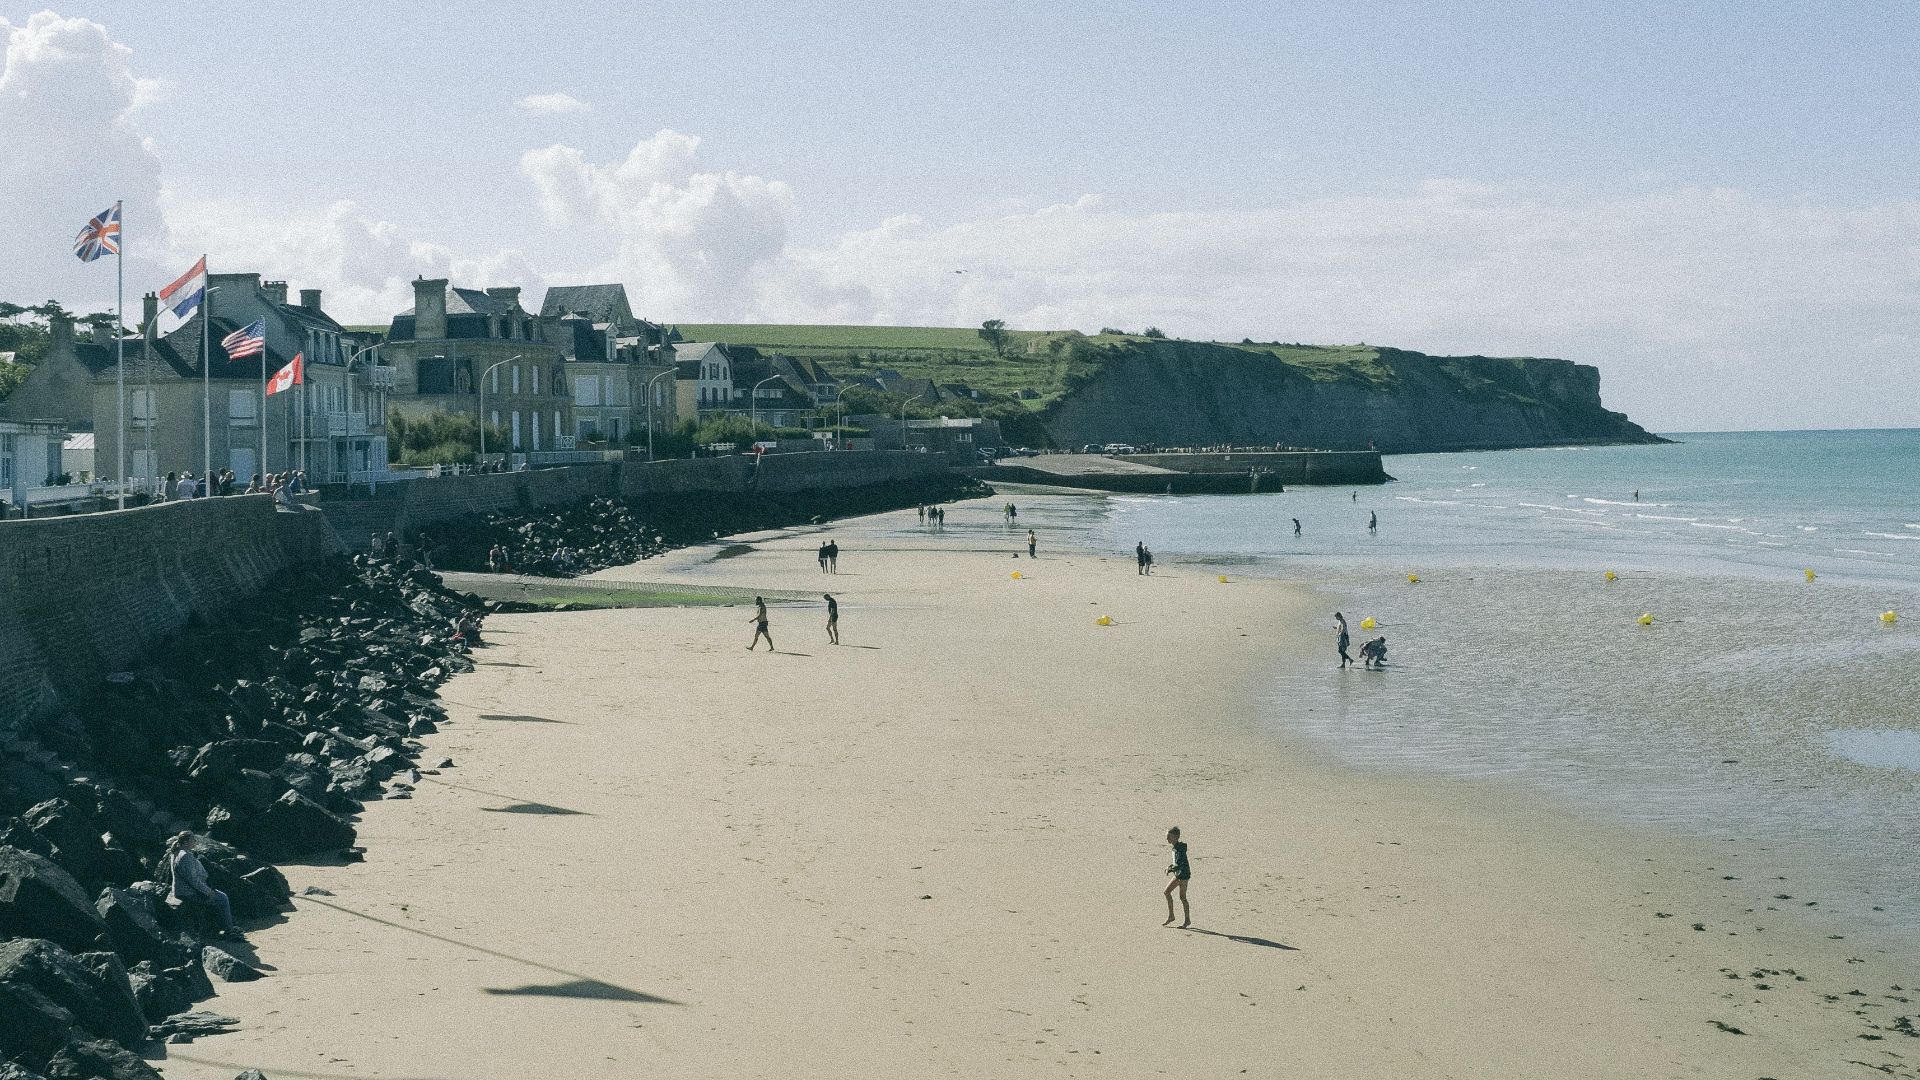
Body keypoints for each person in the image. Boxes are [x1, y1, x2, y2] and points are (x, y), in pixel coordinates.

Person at [168, 832, 237, 938]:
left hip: (180, 890)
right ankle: (229, 930)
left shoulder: (175, 853)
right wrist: (208, 892)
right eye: (193, 840)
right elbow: (193, 881)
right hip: (188, 893)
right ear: (185, 842)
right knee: (223, 898)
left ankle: (222, 927)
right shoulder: (185, 856)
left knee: (218, 897)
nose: (195, 842)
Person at [1162, 826, 1191, 928]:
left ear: (1175, 837)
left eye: (1168, 837)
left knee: (1181, 897)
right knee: (1169, 893)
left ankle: (1184, 920)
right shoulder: (1176, 847)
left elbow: (1179, 864)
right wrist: (1171, 867)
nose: (1167, 839)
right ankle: (1173, 916)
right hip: (1180, 874)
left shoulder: (1179, 849)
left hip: (1182, 876)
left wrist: (1170, 869)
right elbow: (1177, 863)